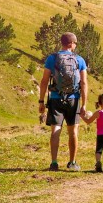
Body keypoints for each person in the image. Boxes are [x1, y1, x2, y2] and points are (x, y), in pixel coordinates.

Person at [38, 32, 88, 171]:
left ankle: (54, 162)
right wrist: (84, 104)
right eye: (75, 43)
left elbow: (43, 81)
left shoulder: (52, 58)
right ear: (71, 44)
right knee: (73, 131)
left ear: (62, 43)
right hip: (73, 99)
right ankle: (72, 162)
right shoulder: (80, 60)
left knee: (56, 130)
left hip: (56, 98)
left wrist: (41, 101)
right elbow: (83, 83)